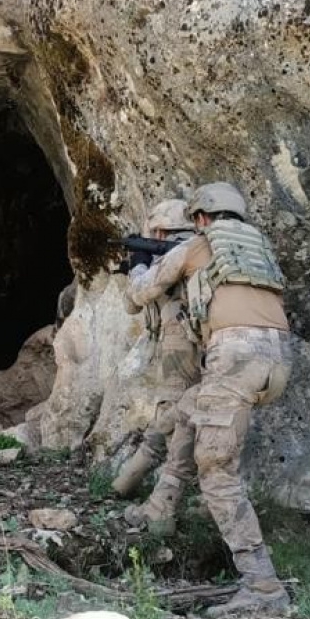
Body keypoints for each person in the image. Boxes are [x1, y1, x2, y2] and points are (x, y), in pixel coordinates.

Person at [124, 181, 293, 616]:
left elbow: (141, 293)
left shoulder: (199, 245)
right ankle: (161, 504)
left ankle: (263, 587)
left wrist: (138, 264)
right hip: (277, 357)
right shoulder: (257, 246)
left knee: (216, 471)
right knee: (189, 409)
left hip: (234, 355)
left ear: (200, 218)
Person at [111, 200, 201, 502]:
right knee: (185, 414)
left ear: (160, 232)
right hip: (213, 342)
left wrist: (138, 263)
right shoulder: (203, 248)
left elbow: (133, 301)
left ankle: (164, 502)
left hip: (179, 341)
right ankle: (126, 484)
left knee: (171, 415)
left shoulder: (177, 253)